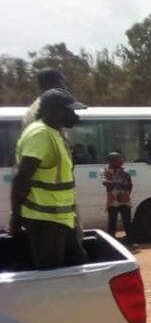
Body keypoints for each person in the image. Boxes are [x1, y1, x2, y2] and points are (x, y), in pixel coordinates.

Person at [10, 88, 87, 269]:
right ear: (56, 111)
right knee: (53, 272)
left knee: (77, 264)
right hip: (45, 220)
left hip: (60, 218)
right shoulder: (41, 135)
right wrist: (16, 215)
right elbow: (21, 178)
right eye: (70, 111)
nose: (74, 115)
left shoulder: (54, 133)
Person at [101, 152, 137, 248]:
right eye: (118, 159)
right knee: (112, 223)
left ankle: (131, 242)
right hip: (112, 201)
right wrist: (119, 184)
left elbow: (130, 185)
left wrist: (126, 194)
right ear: (112, 161)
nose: (121, 161)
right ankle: (110, 244)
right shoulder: (105, 171)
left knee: (127, 222)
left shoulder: (125, 171)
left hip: (125, 200)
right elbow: (104, 182)